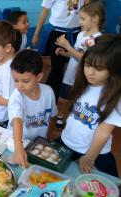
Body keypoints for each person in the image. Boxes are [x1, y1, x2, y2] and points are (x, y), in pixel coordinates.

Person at [58, 34, 121, 177]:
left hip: (92, 154)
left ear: (114, 69)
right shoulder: (85, 83)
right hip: (66, 143)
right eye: (87, 64)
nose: (90, 72)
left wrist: (89, 157)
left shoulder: (114, 96)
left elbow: (103, 132)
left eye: (98, 68)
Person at [55, 2, 104, 127]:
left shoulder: (98, 38)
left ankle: (72, 118)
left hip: (83, 76)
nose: (79, 22)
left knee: (77, 99)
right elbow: (76, 53)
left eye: (83, 19)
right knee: (62, 99)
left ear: (95, 19)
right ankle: (60, 116)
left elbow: (86, 59)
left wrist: (67, 46)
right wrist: (65, 52)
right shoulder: (81, 35)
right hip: (70, 74)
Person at [9, 49, 57, 167]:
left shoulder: (48, 92)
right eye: (15, 80)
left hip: (39, 144)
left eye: (25, 81)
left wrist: (48, 138)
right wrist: (18, 148)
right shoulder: (16, 96)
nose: (19, 85)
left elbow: (53, 116)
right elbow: (17, 121)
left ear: (39, 77)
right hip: (17, 143)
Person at [32, 0, 85, 99]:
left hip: (78, 32)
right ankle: (50, 100)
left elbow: (88, 6)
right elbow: (44, 11)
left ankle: (71, 101)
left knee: (77, 68)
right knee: (57, 69)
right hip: (58, 33)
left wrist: (86, 32)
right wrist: (36, 33)